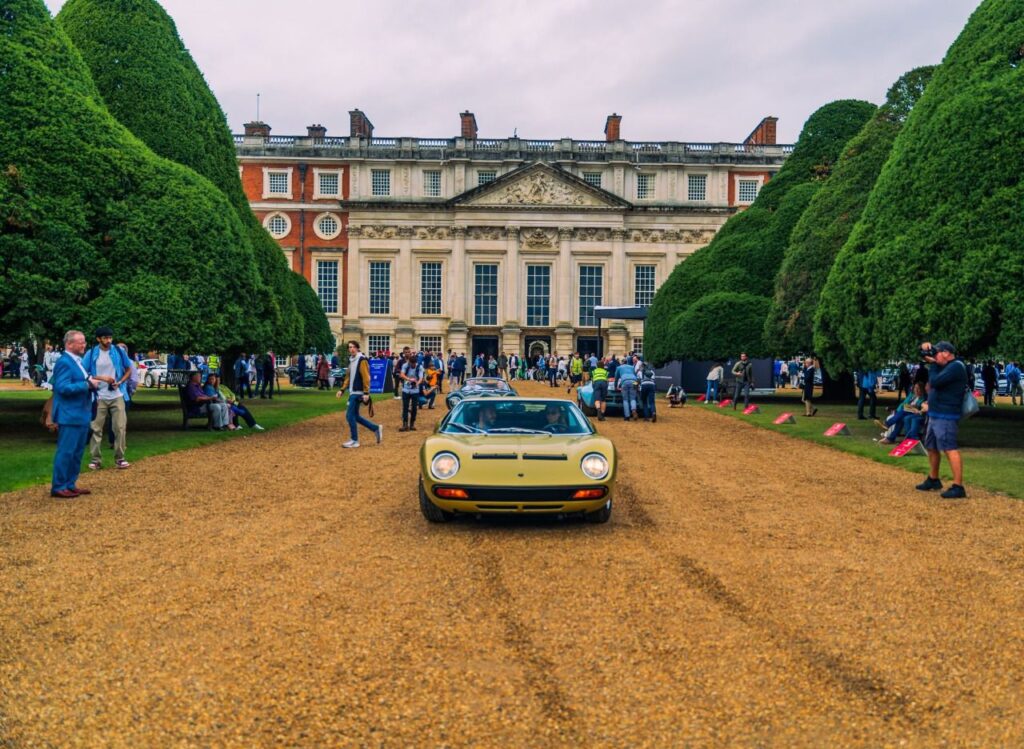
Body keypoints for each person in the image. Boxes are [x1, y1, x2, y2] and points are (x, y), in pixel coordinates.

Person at [50, 330, 104, 498]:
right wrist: (87, 385)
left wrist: (92, 384)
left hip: (81, 413)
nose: (84, 345)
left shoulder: (76, 361)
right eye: (80, 342)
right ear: (69, 344)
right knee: (66, 451)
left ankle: (70, 483)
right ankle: (59, 486)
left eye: (84, 341)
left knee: (77, 452)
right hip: (70, 414)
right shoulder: (65, 362)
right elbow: (62, 387)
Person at [916, 341, 968, 499]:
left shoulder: (956, 367)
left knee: (949, 448)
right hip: (935, 413)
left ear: (946, 353)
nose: (934, 356)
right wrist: (924, 349)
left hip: (946, 414)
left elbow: (935, 382)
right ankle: (933, 479)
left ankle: (958, 486)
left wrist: (933, 364)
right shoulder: (944, 366)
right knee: (931, 446)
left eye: (937, 353)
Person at [82, 326, 132, 470]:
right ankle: (96, 459)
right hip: (99, 396)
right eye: (105, 338)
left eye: (110, 337)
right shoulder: (92, 353)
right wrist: (101, 378)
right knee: (96, 428)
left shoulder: (118, 351)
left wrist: (120, 382)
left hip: (117, 394)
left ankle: (120, 458)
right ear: (98, 339)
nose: (108, 340)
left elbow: (128, 368)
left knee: (120, 427)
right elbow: (83, 373)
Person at [335, 341, 383, 448]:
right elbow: (348, 377)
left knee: (349, 416)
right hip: (353, 391)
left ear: (357, 348)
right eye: (350, 347)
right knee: (355, 416)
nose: (351, 349)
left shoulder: (362, 360)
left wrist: (366, 392)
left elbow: (366, 377)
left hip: (358, 392)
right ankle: (375, 428)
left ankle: (354, 440)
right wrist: (342, 390)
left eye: (353, 347)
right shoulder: (352, 360)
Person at [399, 352, 423, 432]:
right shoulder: (405, 365)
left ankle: (412, 424)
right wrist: (409, 379)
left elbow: (421, 378)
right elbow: (402, 374)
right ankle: (405, 424)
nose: (412, 365)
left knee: (414, 408)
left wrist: (417, 383)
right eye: (411, 363)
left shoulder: (420, 367)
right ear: (409, 362)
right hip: (406, 389)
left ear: (416, 362)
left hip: (415, 390)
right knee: (405, 407)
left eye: (414, 364)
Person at [614, 356, 639, 421]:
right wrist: (637, 387)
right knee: (633, 398)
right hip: (634, 381)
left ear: (621, 363)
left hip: (624, 381)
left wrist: (615, 387)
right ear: (627, 362)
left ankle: (627, 416)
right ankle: (633, 410)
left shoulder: (619, 368)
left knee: (625, 400)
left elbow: (616, 378)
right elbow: (635, 375)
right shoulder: (632, 367)